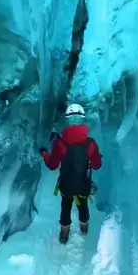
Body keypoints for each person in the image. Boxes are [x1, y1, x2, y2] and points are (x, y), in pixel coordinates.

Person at [39, 104, 102, 244]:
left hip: (66, 185)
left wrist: (44, 153)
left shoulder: (61, 144)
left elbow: (52, 164)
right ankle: (84, 228)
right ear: (82, 120)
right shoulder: (90, 144)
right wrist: (96, 157)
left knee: (65, 208)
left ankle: (64, 236)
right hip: (83, 185)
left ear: (67, 121)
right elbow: (97, 165)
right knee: (83, 206)